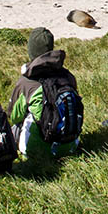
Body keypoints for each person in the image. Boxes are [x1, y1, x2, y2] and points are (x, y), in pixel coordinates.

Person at [7, 27, 82, 158]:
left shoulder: (26, 82)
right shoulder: (67, 76)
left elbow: (13, 117)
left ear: (31, 50)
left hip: (37, 151)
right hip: (70, 146)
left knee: (16, 125)